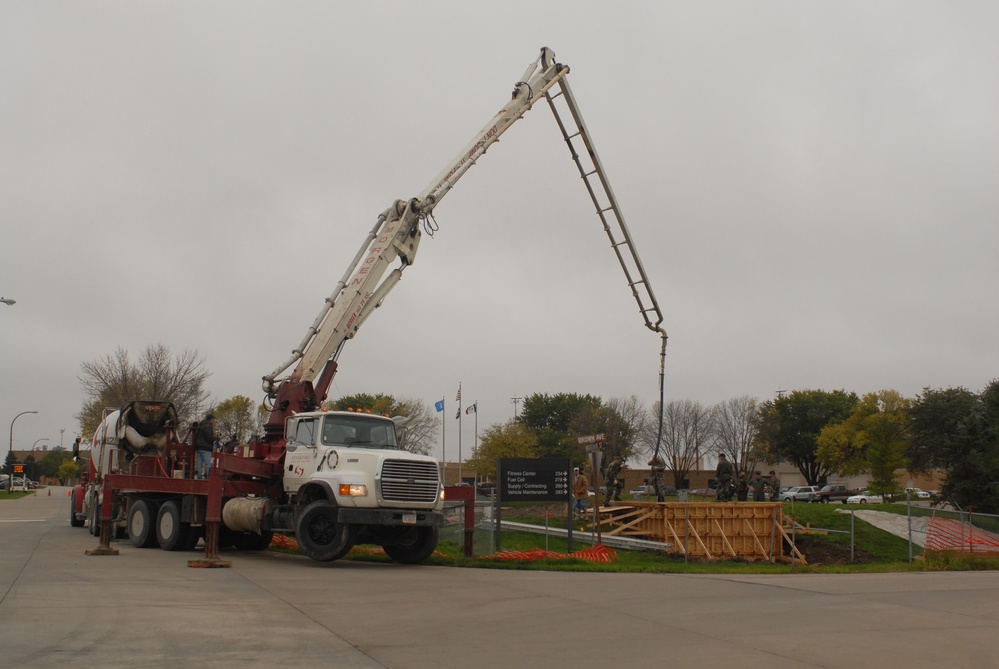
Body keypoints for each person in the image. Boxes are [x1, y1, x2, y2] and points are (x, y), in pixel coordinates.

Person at [194, 413, 216, 479]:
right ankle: (209, 477)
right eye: (213, 419)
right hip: (206, 448)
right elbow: (209, 438)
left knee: (199, 464)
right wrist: (217, 438)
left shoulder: (200, 426)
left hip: (198, 447)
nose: (213, 421)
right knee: (207, 464)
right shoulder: (208, 426)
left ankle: (199, 477)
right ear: (210, 419)